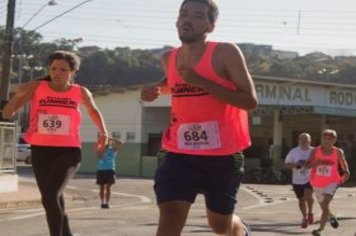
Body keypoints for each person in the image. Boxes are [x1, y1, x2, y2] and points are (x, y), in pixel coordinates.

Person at [141, 0, 258, 235]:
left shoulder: (226, 52)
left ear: (210, 26)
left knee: (220, 226)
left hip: (223, 154)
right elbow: (175, 84)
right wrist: (154, 90)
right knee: (170, 216)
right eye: (183, 14)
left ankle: (240, 229)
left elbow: (249, 101)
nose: (187, 19)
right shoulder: (168, 58)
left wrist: (202, 81)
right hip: (179, 151)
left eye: (196, 16)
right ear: (176, 21)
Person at [2, 50, 109, 236]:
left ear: (73, 71)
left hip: (68, 152)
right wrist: (18, 96)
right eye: (53, 69)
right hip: (40, 151)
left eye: (63, 69)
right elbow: (7, 113)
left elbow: (93, 111)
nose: (57, 73)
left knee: (50, 196)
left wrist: (104, 133)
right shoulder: (37, 87)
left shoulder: (80, 92)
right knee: (53, 198)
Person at [304, 129, 350, 236]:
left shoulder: (338, 152)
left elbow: (343, 163)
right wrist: (316, 162)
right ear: (321, 139)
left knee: (325, 204)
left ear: (334, 140)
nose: (327, 141)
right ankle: (331, 217)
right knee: (324, 208)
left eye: (330, 139)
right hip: (317, 182)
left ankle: (319, 230)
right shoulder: (315, 151)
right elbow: (306, 165)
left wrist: (346, 171)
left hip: (332, 182)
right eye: (325, 138)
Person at [285, 133, 315, 228]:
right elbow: (287, 164)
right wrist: (295, 165)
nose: (303, 141)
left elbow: (319, 162)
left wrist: (311, 165)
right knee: (301, 200)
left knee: (308, 194)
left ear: (309, 141)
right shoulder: (294, 152)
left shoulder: (314, 151)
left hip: (310, 178)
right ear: (298, 140)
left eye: (305, 139)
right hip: (297, 180)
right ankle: (304, 217)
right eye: (301, 139)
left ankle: (310, 212)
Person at [95, 137, 123, 209]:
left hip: (110, 169)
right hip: (101, 170)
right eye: (106, 141)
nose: (107, 143)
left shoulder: (112, 150)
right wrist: (101, 141)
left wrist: (111, 138)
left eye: (108, 141)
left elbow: (120, 143)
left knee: (108, 187)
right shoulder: (100, 149)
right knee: (101, 187)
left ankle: (107, 203)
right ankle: (102, 202)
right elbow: (98, 155)